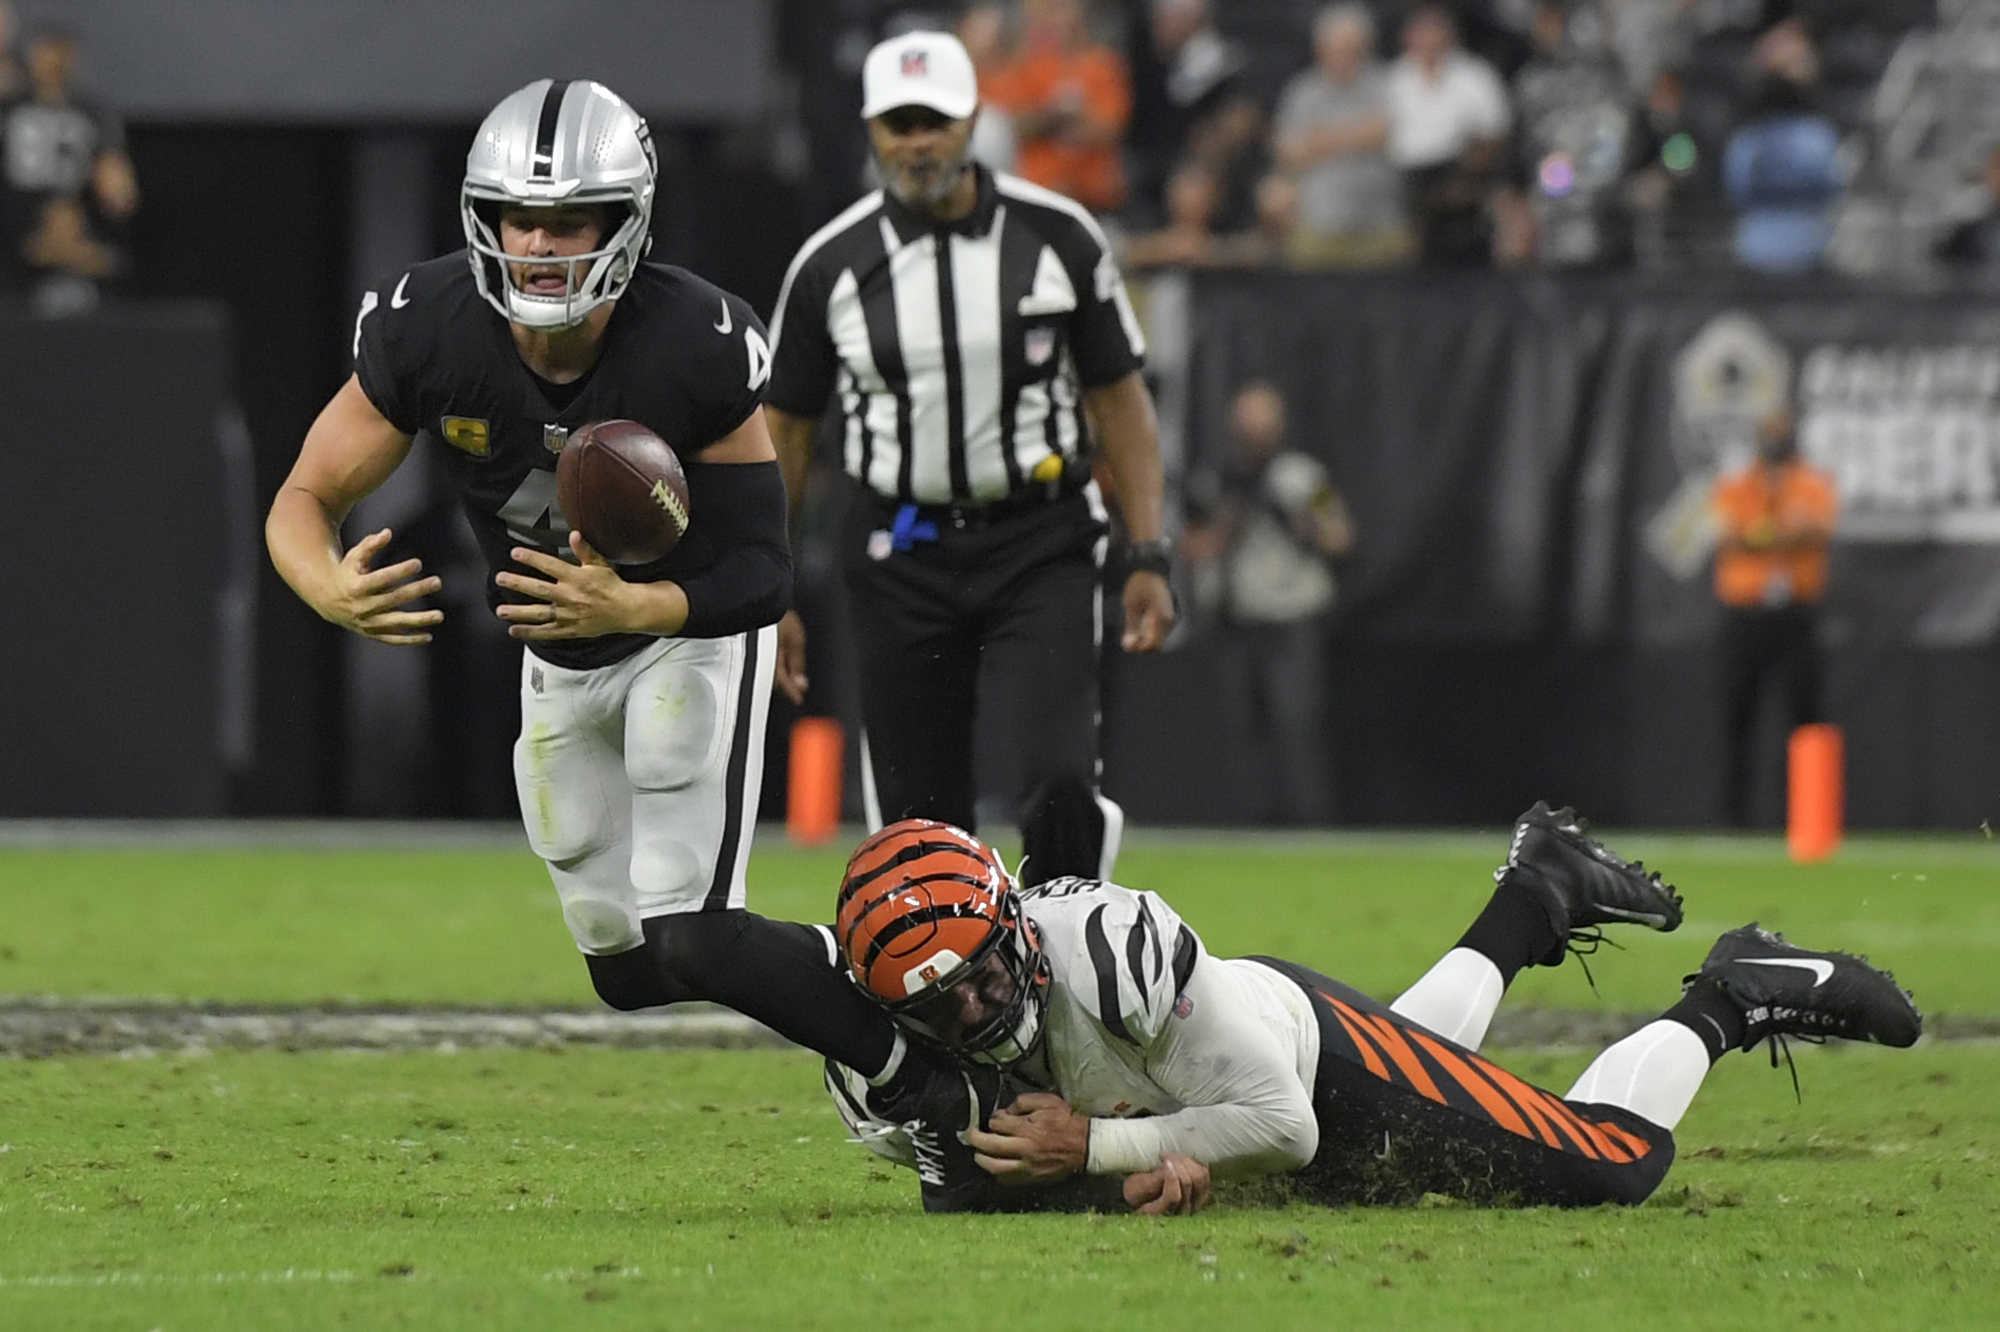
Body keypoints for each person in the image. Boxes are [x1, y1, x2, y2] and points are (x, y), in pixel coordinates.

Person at [265, 78, 954, 1113]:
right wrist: (324, 585)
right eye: (519, 219)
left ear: (623, 225)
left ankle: (922, 1083)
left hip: (685, 630)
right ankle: (853, 968)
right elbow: (303, 496)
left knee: (696, 932)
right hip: (560, 644)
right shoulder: (428, 326)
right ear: (481, 218)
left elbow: (764, 572)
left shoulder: (694, 340)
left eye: (566, 221)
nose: (539, 245)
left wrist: (638, 609)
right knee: (626, 970)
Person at [827, 809, 1920, 1215]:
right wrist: (1137, 1166)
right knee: (1427, 1057)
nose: (970, 1010)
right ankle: (1537, 893)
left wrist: (1100, 1146)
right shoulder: (880, 1063)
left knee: (1608, 1164)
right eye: (935, 1002)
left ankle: (1737, 990)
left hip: (1309, 1067)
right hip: (1261, 1060)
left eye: (977, 971)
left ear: (1013, 923)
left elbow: (1281, 1123)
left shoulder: (1110, 951)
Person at [763, 31, 1176, 887]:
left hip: (1040, 537)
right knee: (921, 823)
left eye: (935, 122)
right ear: (873, 130)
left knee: (1062, 782)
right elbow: (786, 430)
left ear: (972, 121)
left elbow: (1122, 402)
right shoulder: (829, 266)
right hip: (898, 549)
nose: (918, 142)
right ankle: (950, 1006)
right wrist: (771, 588)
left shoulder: (1059, 237)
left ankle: (1067, 967)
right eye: (900, 123)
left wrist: (1147, 549)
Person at [1182, 381, 1353, 825]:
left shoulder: (1303, 477)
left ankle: (1308, 822)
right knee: (1242, 730)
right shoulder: (1217, 479)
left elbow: (1340, 536)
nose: (1253, 431)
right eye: (1246, 420)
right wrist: (1227, 524)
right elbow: (1190, 547)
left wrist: (1296, 520)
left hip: (1290, 618)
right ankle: (1249, 824)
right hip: (1237, 620)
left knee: (1295, 724)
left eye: (1262, 420)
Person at [1710, 407, 1837, 827]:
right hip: (1747, 615)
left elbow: (1816, 531)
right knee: (1737, 716)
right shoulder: (1737, 483)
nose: (1775, 441)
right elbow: (1729, 534)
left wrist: (1761, 535)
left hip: (1795, 615)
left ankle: (1807, 818)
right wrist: (1779, 534)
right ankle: (1733, 820)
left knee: (1805, 718)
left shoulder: (1811, 482)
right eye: (1768, 432)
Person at [0, 24, 137, 312]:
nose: (54, 61)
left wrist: (111, 190)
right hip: (15, 225)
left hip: (76, 217)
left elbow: (117, 186)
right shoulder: (9, 108)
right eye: (46, 51)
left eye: (62, 52)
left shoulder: (92, 112)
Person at [1271, 4, 1411, 270]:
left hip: (1381, 225)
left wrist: (1323, 138)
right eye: (1335, 49)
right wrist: (1359, 134)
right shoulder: (1302, 92)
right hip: (1319, 227)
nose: (1343, 58)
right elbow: (1289, 154)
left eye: (1352, 50)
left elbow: (1388, 136)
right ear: (1320, 49)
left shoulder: (1389, 84)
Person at [1386, 4, 1513, 266]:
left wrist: (1464, 177)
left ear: (1449, 35)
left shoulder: (1475, 77)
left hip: (1460, 176)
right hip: (1406, 181)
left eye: (1433, 31)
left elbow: (1494, 136)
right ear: (1407, 37)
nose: (1427, 40)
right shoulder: (1394, 79)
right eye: (1420, 32)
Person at [984, 0, 1133, 214]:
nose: (1061, 17)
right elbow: (1014, 126)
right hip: (1034, 192)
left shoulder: (1105, 65)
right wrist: (1053, 116)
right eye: (1055, 9)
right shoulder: (1033, 65)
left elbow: (1109, 130)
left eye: (1067, 7)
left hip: (1094, 196)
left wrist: (1065, 120)